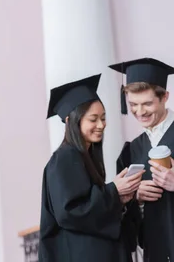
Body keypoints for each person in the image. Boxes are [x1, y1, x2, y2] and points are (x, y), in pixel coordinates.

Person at [39, 74, 144, 262]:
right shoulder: (65, 158)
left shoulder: (83, 157)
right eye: (93, 119)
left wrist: (120, 198)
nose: (101, 125)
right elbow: (70, 212)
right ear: (72, 120)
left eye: (103, 118)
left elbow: (91, 206)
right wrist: (114, 190)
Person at [110, 58, 174, 261]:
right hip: (155, 250)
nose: (140, 112)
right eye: (133, 105)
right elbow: (127, 213)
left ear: (165, 97)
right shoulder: (133, 148)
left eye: (147, 103)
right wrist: (136, 197)